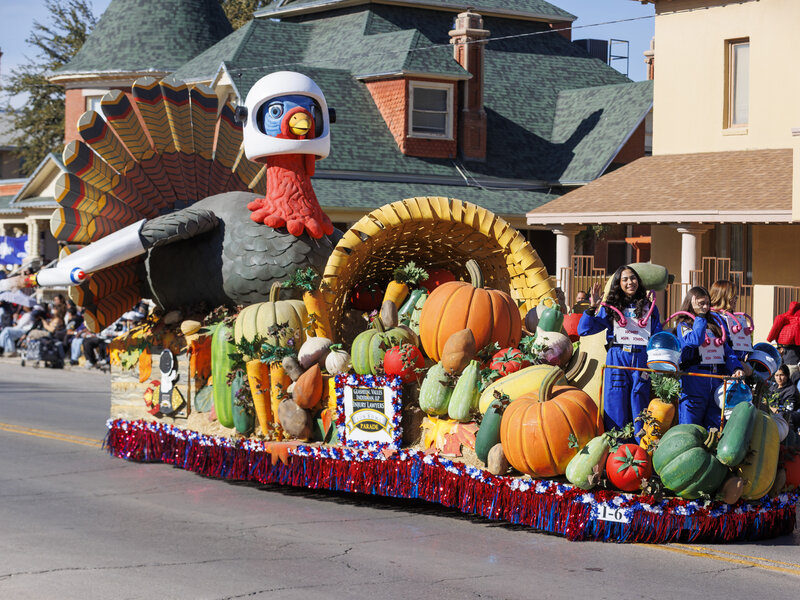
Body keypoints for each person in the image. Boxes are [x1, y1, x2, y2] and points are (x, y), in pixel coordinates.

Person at [578, 265, 662, 435]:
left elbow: (657, 335)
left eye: (633, 278)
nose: (630, 282)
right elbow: (584, 330)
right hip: (618, 357)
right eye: (625, 279)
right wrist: (592, 307)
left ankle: (640, 447)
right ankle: (617, 446)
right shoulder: (611, 307)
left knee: (640, 403)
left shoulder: (649, 307)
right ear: (618, 283)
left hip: (641, 359)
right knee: (615, 401)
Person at [675, 286, 744, 428]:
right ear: (691, 303)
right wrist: (699, 317)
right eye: (701, 303)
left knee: (715, 426)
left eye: (707, 303)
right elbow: (694, 340)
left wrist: (736, 367)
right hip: (694, 382)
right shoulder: (684, 325)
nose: (705, 307)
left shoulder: (715, 325)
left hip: (716, 381)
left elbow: (727, 350)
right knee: (690, 428)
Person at [709, 279, 753, 373]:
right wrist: (738, 365)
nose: (736, 298)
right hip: (724, 371)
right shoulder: (713, 319)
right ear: (723, 297)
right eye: (733, 296)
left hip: (739, 368)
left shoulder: (735, 318)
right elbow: (723, 348)